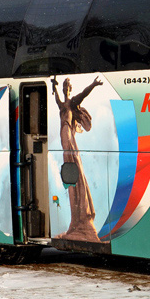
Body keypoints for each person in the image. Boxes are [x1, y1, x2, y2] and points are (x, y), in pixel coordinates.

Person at [51, 75, 103, 243]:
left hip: (68, 135)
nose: (66, 88)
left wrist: (94, 84)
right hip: (63, 135)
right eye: (64, 86)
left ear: (70, 89)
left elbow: (84, 93)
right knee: (70, 168)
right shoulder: (62, 103)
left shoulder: (73, 102)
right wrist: (53, 84)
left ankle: (81, 222)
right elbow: (56, 97)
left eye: (67, 86)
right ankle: (76, 223)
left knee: (74, 169)